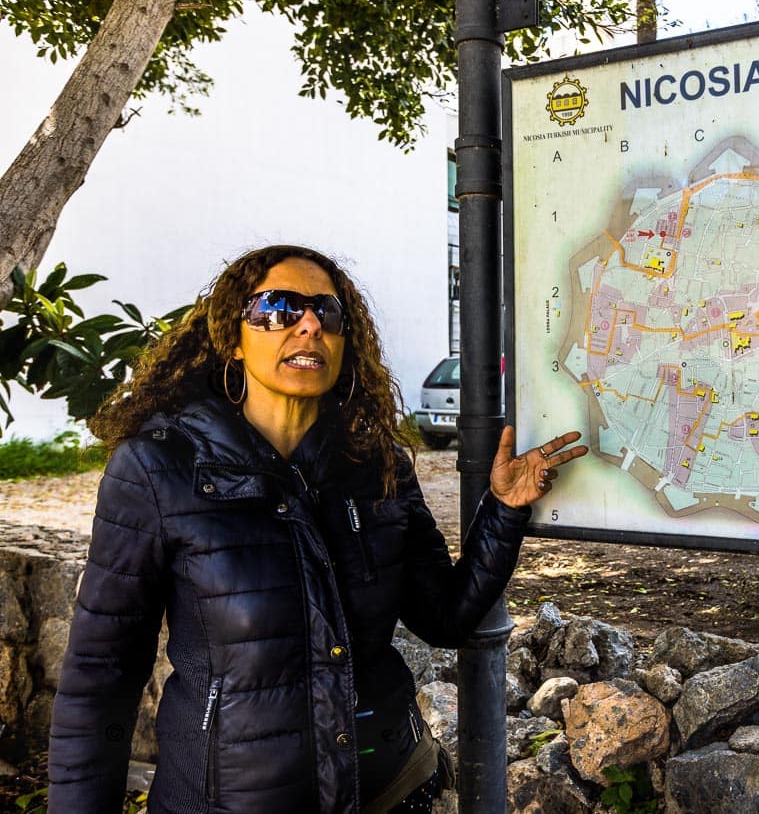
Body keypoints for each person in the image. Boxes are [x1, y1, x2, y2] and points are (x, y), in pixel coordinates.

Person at [47, 245, 586, 813]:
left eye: (327, 313)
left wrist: (502, 510)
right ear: (234, 338)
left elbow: (446, 616)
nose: (309, 324)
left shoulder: (376, 464)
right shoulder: (158, 469)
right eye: (279, 308)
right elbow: (100, 677)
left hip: (391, 789)